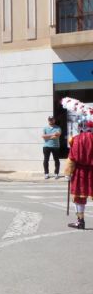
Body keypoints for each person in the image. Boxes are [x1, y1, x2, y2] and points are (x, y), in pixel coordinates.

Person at [62, 98, 93, 229]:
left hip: (80, 172)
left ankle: (80, 221)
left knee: (79, 198)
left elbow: (71, 159)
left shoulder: (75, 139)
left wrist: (67, 174)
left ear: (81, 127)